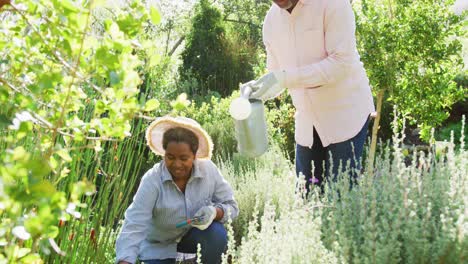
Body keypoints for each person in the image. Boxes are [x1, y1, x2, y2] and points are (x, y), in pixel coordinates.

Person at [245, 0, 375, 192]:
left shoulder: (333, 4)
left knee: (342, 195)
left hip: (346, 115)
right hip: (307, 121)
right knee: (307, 195)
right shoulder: (271, 21)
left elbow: (340, 64)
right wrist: (257, 91)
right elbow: (277, 75)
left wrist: (284, 78)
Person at [115, 116, 239, 264]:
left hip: (192, 242)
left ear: (194, 156)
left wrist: (214, 213)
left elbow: (232, 207)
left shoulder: (208, 171)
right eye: (170, 157)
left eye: (184, 158)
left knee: (216, 233)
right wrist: (125, 261)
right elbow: (134, 224)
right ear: (164, 154)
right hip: (159, 249)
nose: (177, 164)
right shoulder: (152, 180)